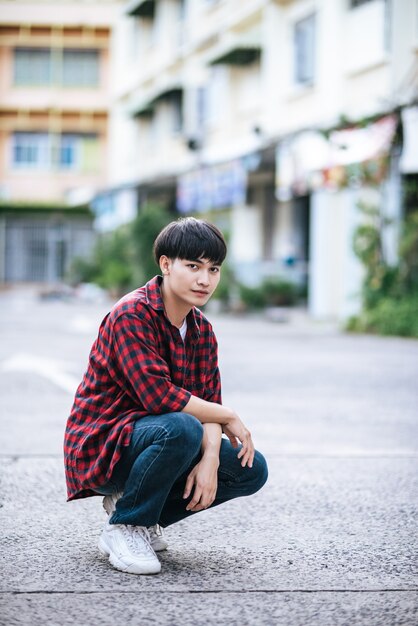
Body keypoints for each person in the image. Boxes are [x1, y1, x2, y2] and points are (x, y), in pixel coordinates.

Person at [64, 217, 268, 575]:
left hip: (156, 439)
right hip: (103, 444)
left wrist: (211, 460)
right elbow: (159, 397)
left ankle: (137, 512)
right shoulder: (131, 314)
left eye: (214, 268)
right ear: (165, 264)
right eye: (193, 266)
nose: (205, 279)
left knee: (250, 469)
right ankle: (124, 527)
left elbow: (208, 406)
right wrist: (226, 413)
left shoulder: (202, 331)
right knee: (180, 427)